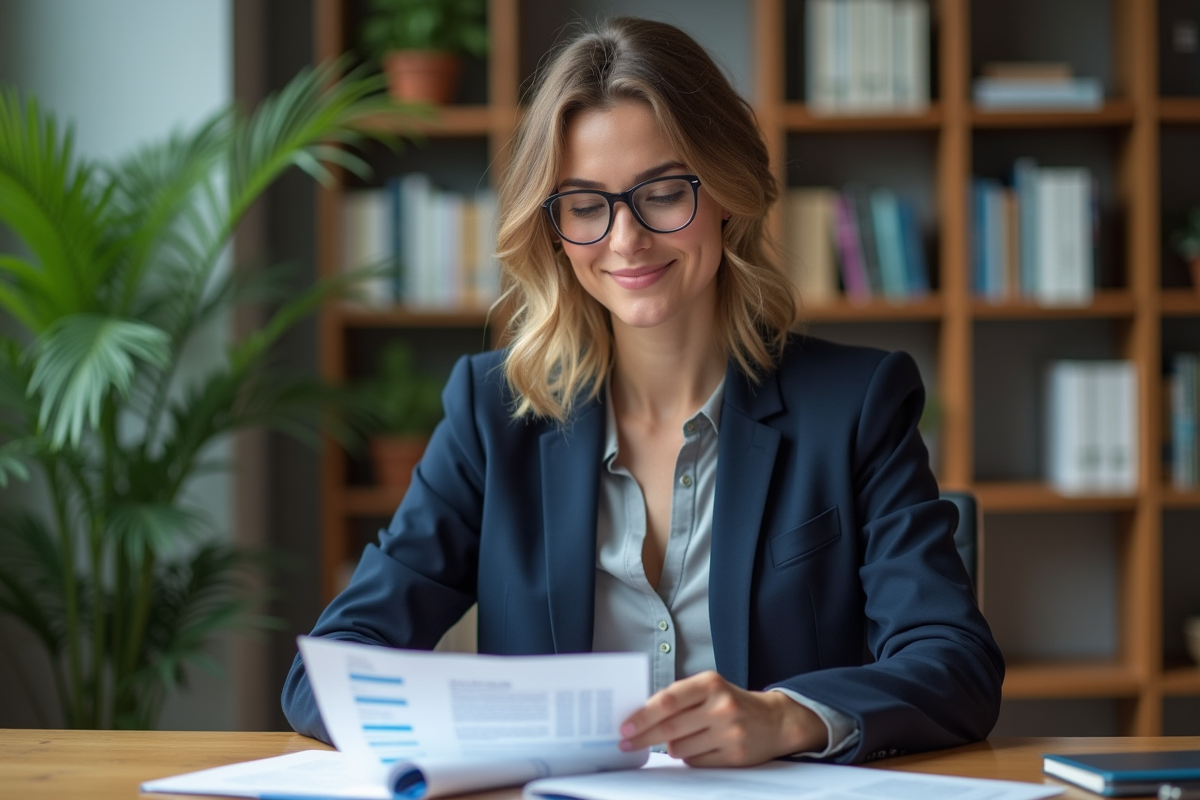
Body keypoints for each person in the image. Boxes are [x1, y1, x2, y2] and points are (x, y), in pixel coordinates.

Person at [282, 16, 1003, 766]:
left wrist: (787, 718)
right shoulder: (492, 414)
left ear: (727, 192)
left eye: (661, 193)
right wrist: (483, 731)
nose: (625, 239)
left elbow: (955, 664)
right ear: (554, 230)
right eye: (586, 205)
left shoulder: (856, 405)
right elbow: (327, 670)